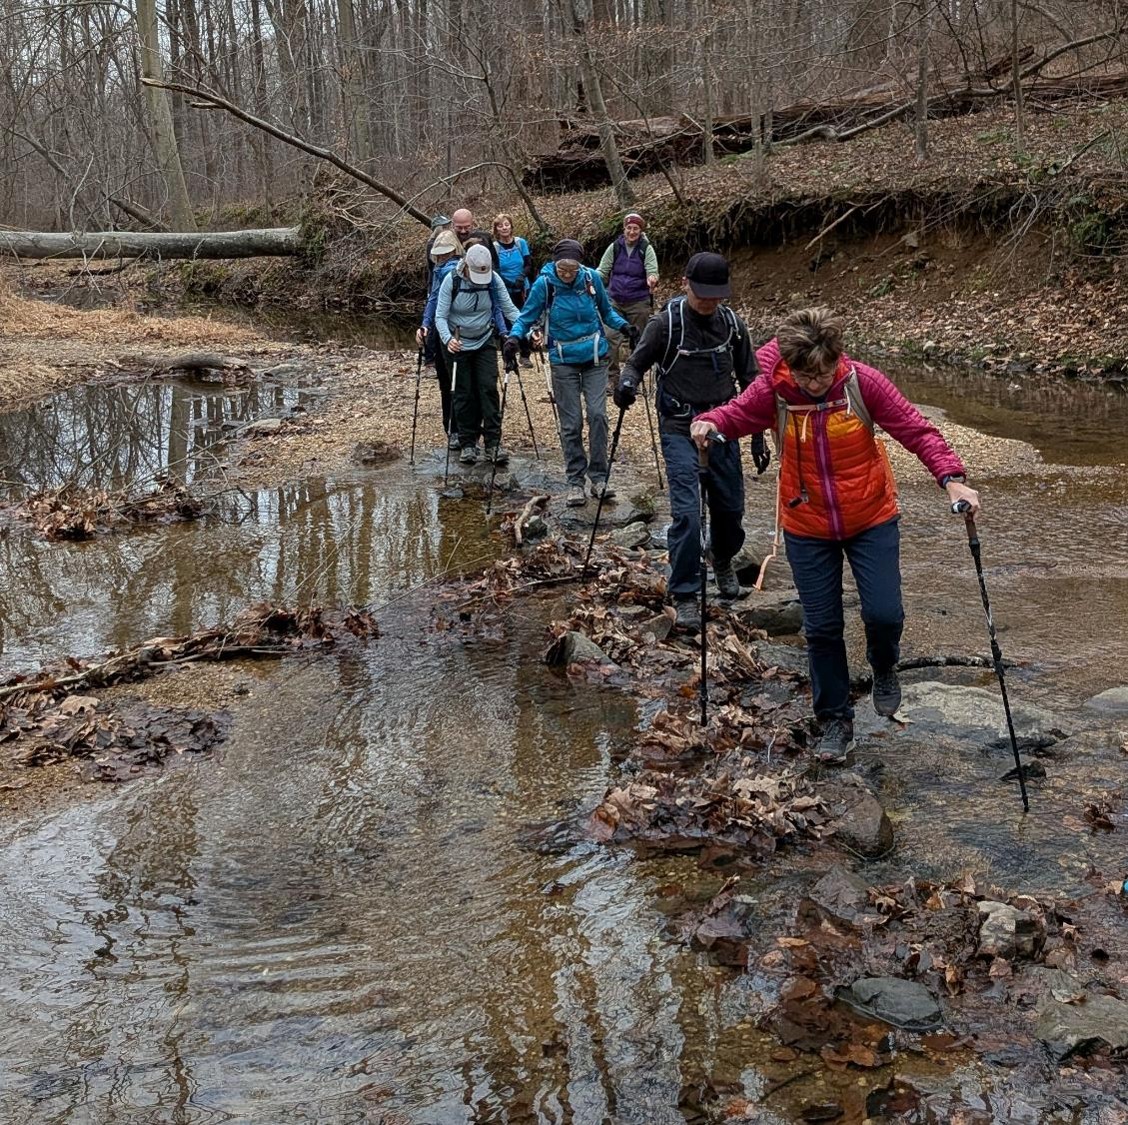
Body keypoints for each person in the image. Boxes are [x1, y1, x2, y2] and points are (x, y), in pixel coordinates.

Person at [689, 307, 981, 763]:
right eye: (805, 375)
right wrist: (709, 422)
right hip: (806, 526)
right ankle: (835, 721)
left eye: (823, 373)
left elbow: (917, 431)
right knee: (822, 628)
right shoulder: (774, 392)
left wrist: (952, 479)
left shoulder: (863, 384)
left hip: (872, 517)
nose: (815, 383)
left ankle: (884, 665)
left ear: (836, 358)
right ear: (789, 365)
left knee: (884, 613)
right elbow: (734, 414)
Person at [614, 252, 764, 630]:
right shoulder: (665, 325)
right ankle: (684, 593)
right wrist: (627, 384)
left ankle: (722, 558)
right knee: (687, 514)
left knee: (730, 511)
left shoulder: (733, 326)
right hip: (679, 427)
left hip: (723, 427)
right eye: (702, 294)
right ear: (685, 284)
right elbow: (636, 363)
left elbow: (752, 383)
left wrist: (758, 436)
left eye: (716, 295)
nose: (709, 302)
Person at [505, 239, 633, 507]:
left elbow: (607, 312)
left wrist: (625, 327)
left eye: (572, 268)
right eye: (562, 268)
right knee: (571, 423)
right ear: (555, 264)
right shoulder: (545, 284)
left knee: (598, 416)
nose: (566, 273)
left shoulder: (590, 279)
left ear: (580, 265)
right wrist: (514, 338)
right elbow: (526, 317)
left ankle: (599, 478)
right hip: (563, 361)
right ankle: (575, 481)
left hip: (595, 357)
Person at [435, 243, 520, 465]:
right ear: (466, 266)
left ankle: (493, 444)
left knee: (488, 389)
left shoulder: (493, 280)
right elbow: (440, 316)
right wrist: (448, 339)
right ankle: (468, 443)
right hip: (457, 342)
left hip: (484, 339)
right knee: (463, 393)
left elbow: (509, 309)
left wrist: (528, 329)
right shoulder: (451, 280)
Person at [416, 229, 463, 448]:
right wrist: (425, 324)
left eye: (447, 253)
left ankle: (465, 429)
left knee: (462, 382)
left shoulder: (465, 268)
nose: (443, 257)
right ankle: (452, 428)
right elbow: (433, 299)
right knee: (446, 382)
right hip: (441, 330)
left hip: (461, 330)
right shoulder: (437, 271)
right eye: (440, 254)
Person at [598, 212, 659, 377]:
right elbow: (602, 270)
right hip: (615, 301)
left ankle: (633, 376)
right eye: (629, 228)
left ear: (641, 231)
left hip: (638, 301)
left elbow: (652, 269)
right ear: (624, 229)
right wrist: (592, 280)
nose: (632, 232)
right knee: (610, 337)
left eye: (636, 229)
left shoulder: (646, 249)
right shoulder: (615, 247)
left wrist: (652, 278)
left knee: (639, 341)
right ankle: (612, 377)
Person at [492, 213, 534, 365]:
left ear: (511, 226)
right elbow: (494, 269)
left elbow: (528, 263)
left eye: (506, 224)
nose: (504, 228)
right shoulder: (495, 247)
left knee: (523, 318)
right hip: (503, 289)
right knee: (505, 322)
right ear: (496, 229)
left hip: (522, 288)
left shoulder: (520, 243)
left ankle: (525, 353)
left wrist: (521, 277)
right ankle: (508, 357)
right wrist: (507, 283)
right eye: (500, 226)